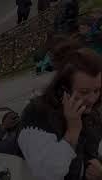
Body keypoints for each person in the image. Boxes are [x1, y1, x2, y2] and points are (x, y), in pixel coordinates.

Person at [18, 48, 102, 180]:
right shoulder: (37, 114)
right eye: (84, 92)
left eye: (97, 90)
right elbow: (48, 173)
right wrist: (72, 131)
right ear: (64, 89)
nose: (92, 99)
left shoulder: (93, 113)